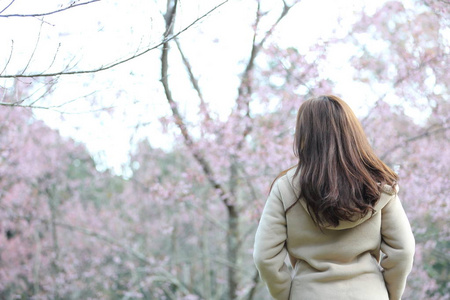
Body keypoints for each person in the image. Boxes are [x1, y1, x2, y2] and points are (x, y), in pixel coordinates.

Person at [253, 95, 415, 300]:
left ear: (304, 135)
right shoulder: (379, 185)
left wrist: (287, 295)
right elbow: (403, 250)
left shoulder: (285, 188)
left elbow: (265, 257)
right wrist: (388, 294)